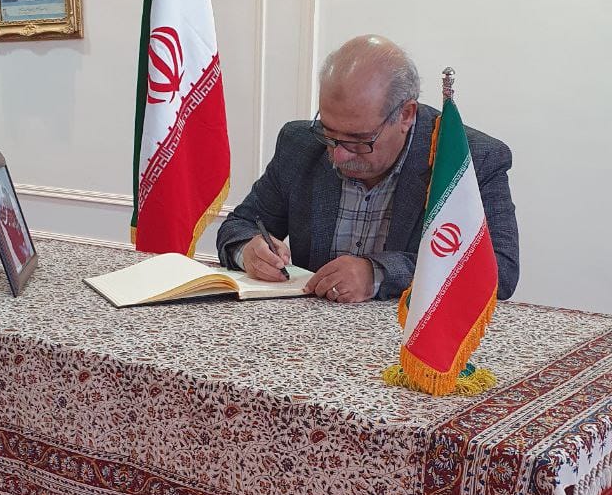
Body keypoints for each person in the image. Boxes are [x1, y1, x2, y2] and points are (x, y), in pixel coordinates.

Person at [216, 35, 519, 302]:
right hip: (306, 332)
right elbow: (240, 225)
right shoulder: (300, 144)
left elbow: (499, 271)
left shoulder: (470, 161)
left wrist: (377, 274)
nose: (339, 155)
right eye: (329, 133)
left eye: (359, 140)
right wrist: (249, 251)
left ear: (406, 115)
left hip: (407, 340)